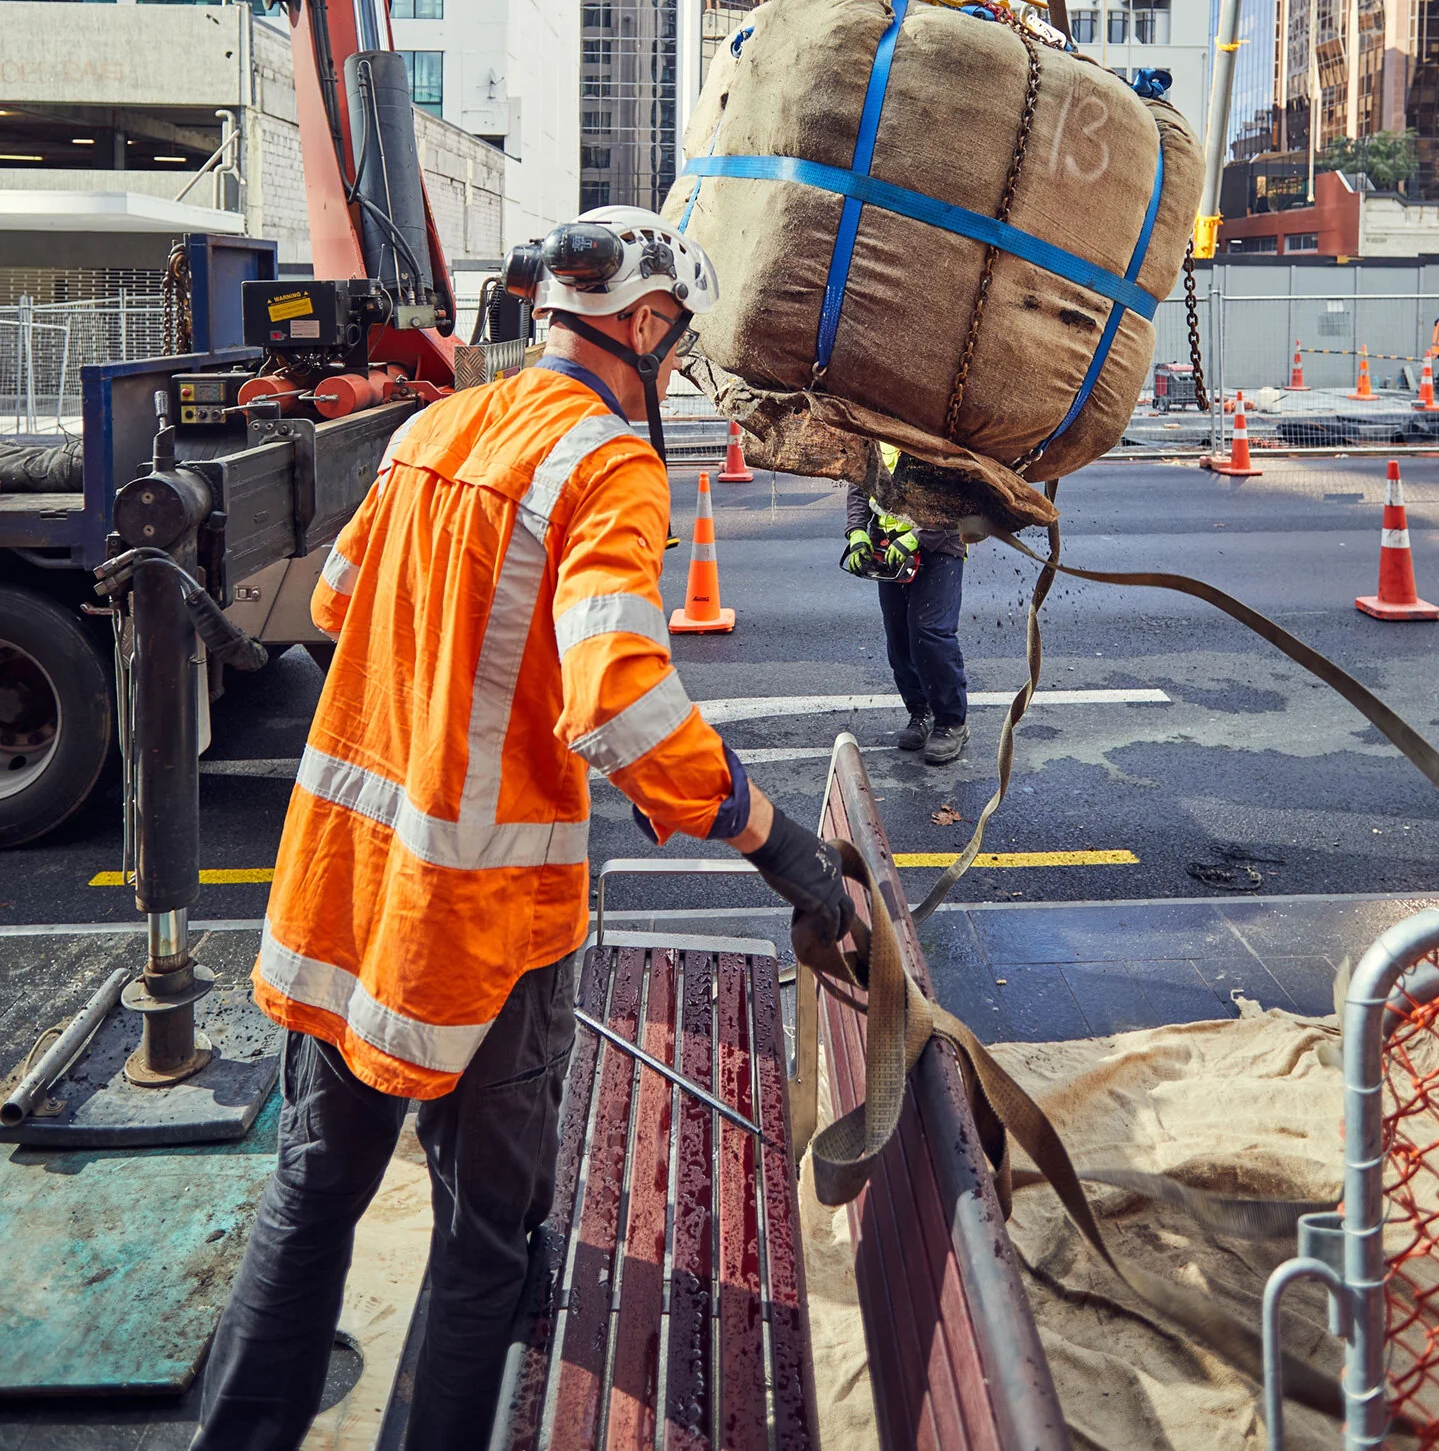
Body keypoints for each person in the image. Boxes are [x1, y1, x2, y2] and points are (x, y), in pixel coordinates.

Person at [192, 208, 851, 1451]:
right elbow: (624, 703)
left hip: (344, 892)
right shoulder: (606, 464)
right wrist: (772, 836)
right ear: (647, 325)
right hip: (479, 929)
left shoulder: (432, 428)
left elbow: (337, 603)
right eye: (676, 337)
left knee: (312, 1197)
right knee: (485, 1241)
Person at [845, 447, 969, 766]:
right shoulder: (876, 433)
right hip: (888, 549)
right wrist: (858, 531)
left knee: (930, 632)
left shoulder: (933, 428)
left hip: (939, 546)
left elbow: (956, 492)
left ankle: (951, 723)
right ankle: (920, 712)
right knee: (899, 639)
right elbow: (861, 482)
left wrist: (917, 535)